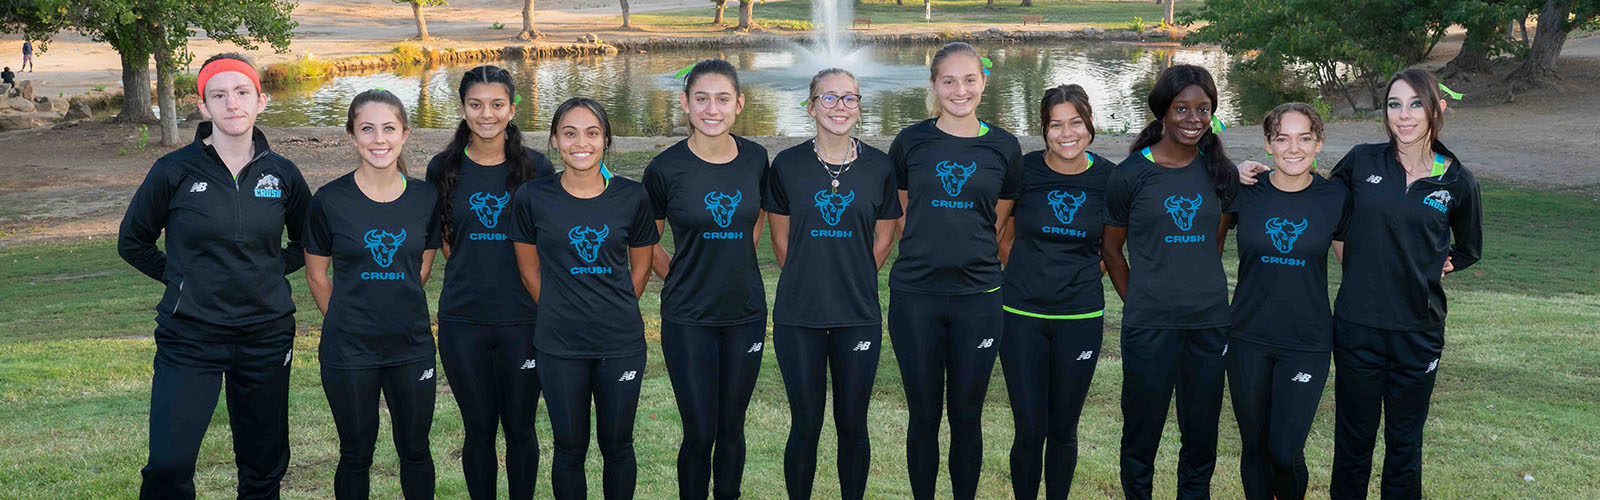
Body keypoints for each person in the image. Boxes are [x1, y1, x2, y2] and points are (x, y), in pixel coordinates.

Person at [1238, 69, 1482, 500]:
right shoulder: (1363, 161)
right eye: (1394, 105)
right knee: (1353, 443)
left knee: (1405, 444)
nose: (1404, 116)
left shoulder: (1458, 180)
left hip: (1418, 332)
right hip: (1356, 328)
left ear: (1437, 109)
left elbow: (1467, 248)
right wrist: (1255, 171)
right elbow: (1316, 203)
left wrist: (1441, 263)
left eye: (1415, 105)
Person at [118, 52, 309, 500]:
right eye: (218, 95)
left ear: (261, 101)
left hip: (266, 335)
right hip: (190, 337)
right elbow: (133, 243)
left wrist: (265, 273)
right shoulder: (174, 171)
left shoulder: (283, 174)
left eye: (242, 93)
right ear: (203, 107)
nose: (232, 104)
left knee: (263, 465)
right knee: (169, 464)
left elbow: (308, 243)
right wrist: (183, 279)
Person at [887, 41, 1023, 500]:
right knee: (923, 415)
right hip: (916, 297)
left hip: (979, 299)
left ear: (983, 82)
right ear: (934, 85)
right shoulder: (910, 141)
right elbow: (903, 213)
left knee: (967, 416)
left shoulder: (1004, 146)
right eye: (949, 80)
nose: (959, 89)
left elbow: (999, 218)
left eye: (969, 80)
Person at [509, 97, 658, 500]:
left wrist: (615, 309)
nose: (581, 142)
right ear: (555, 141)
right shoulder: (532, 197)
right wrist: (560, 308)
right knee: (570, 447)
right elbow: (529, 269)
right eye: (569, 133)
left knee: (618, 446)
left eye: (592, 133)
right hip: (559, 344)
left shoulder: (631, 197)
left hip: (621, 343)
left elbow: (640, 268)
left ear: (606, 140)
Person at [763, 68, 900, 499]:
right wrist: (811, 275)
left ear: (859, 109)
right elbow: (780, 238)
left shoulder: (880, 165)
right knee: (805, 423)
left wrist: (854, 275)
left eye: (849, 99)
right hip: (798, 314)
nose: (840, 107)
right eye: (829, 98)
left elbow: (884, 235)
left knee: (853, 423)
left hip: (857, 314)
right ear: (811, 107)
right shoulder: (788, 164)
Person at [1102, 64, 1237, 500]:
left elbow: (1215, 243)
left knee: (1200, 437)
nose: (1193, 118)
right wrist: (1139, 299)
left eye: (1203, 109)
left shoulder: (1221, 173)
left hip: (1209, 324)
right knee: (1142, 434)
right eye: (1182, 109)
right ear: (1163, 111)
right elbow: (1111, 250)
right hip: (1150, 326)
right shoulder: (1130, 175)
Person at [424, 64, 555, 500]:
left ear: (513, 107)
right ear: (462, 108)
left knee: (520, 428)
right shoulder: (443, 166)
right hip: (464, 319)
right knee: (478, 429)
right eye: (476, 105)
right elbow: (447, 240)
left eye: (497, 104)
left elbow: (551, 236)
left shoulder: (537, 166)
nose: (487, 114)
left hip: (524, 319)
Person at [304, 89, 442, 500]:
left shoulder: (425, 198)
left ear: (405, 134)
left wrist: (392, 309)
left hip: (411, 345)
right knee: (356, 453)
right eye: (367, 128)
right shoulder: (329, 200)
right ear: (352, 136)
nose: (378, 139)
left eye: (388, 128)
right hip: (349, 351)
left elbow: (421, 268)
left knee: (415, 450)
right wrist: (350, 319)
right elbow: (316, 276)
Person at [642, 58, 770, 500]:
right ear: (685, 103)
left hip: (745, 313)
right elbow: (646, 240)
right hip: (688, 317)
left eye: (721, 99)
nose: (711, 109)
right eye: (701, 99)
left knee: (732, 429)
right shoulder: (664, 169)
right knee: (699, 432)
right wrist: (676, 274)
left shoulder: (756, 158)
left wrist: (733, 258)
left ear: (739, 104)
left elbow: (756, 220)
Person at [995, 83, 1115, 499]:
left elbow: (1112, 248)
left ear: (1090, 123)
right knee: (1029, 428)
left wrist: (1078, 276)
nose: (1067, 133)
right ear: (1044, 129)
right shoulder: (1023, 171)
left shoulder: (1110, 178)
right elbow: (1002, 233)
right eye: (1056, 125)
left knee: (1063, 428)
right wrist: (1031, 274)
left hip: (1079, 317)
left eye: (1076, 123)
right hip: (1021, 314)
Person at [1220, 102, 1345, 500]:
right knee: (1255, 447)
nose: (1294, 148)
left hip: (1306, 341)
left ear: (1319, 143)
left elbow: (1360, 262)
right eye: (1282, 138)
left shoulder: (1335, 197)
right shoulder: (1245, 192)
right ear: (1268, 145)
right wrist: (1231, 171)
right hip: (1247, 337)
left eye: (1304, 138)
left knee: (1285, 449)